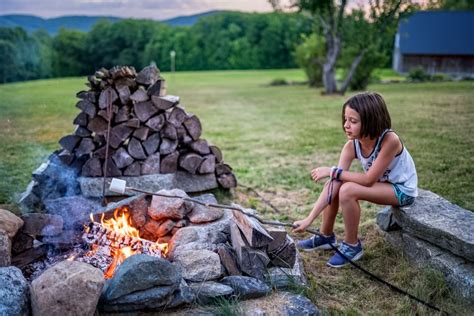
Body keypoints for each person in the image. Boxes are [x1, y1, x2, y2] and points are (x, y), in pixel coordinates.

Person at [293, 92, 418, 268]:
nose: (346, 125)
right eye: (345, 119)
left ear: (371, 120)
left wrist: (332, 170)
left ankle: (352, 246)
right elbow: (335, 181)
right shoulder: (352, 146)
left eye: (353, 121)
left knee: (347, 189)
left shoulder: (390, 140)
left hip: (401, 190)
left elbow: (368, 180)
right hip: (381, 185)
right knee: (335, 184)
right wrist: (309, 218)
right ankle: (325, 236)